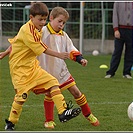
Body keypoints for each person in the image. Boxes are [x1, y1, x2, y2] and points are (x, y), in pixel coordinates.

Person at [2, 2, 81, 131]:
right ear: (31, 17)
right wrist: (59, 55)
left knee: (53, 82)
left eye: (44, 19)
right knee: (21, 97)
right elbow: (42, 49)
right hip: (20, 69)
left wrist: (5, 52)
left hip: (33, 66)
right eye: (40, 19)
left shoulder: (36, 28)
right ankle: (11, 122)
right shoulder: (28, 30)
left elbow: (16, 40)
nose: (43, 22)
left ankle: (63, 112)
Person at [37, 6, 99, 129]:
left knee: (76, 92)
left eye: (64, 23)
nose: (61, 25)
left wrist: (80, 59)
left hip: (61, 71)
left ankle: (89, 114)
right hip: (47, 71)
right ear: (51, 18)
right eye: (59, 21)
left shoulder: (63, 35)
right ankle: (49, 120)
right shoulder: (43, 32)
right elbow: (31, 43)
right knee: (50, 94)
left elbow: (71, 50)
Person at [105, 2, 133, 79]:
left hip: (131, 30)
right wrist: (116, 29)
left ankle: (127, 73)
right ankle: (111, 72)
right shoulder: (118, 2)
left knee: (130, 52)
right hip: (120, 29)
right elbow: (115, 15)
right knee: (117, 51)